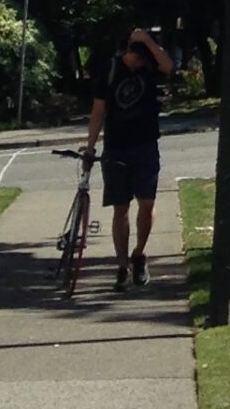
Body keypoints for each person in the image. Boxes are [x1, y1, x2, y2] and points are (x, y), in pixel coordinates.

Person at [84, 24, 175, 290]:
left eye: (144, 59)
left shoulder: (149, 67)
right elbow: (98, 112)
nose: (139, 64)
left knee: (147, 204)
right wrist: (90, 147)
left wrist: (147, 39)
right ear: (127, 52)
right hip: (117, 147)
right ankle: (122, 264)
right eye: (137, 57)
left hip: (146, 145)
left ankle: (139, 254)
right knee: (120, 208)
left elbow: (168, 66)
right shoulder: (110, 70)